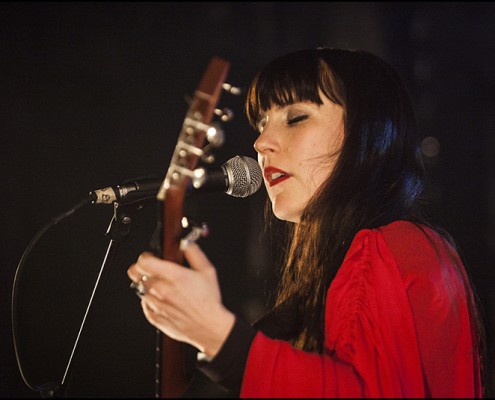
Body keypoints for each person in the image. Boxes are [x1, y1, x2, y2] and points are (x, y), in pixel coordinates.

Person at [127, 48, 484, 398]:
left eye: (296, 118)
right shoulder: (377, 254)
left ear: (366, 133)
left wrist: (218, 336)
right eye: (262, 123)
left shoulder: (393, 244)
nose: (261, 142)